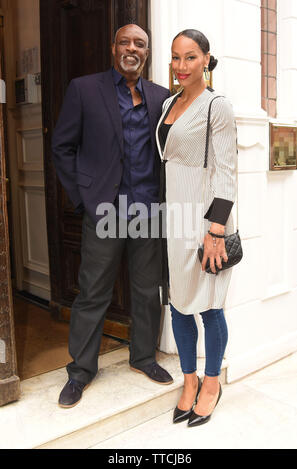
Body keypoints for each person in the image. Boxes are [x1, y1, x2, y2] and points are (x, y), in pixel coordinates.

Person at [52, 24, 173, 409]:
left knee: (146, 289)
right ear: (113, 47)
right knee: (93, 292)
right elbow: (63, 146)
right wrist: (82, 198)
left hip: (147, 209)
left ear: (147, 52)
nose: (132, 48)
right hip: (103, 208)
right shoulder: (84, 89)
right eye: (125, 41)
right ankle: (81, 371)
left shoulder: (161, 98)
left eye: (140, 43)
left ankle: (143, 358)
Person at [156, 29, 237, 426]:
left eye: (190, 57)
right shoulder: (170, 102)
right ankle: (188, 380)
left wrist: (216, 229)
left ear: (206, 58)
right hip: (175, 217)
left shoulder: (216, 105)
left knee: (210, 306)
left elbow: (226, 169)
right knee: (179, 304)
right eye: (175, 58)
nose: (181, 66)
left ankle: (211, 382)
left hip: (206, 218)